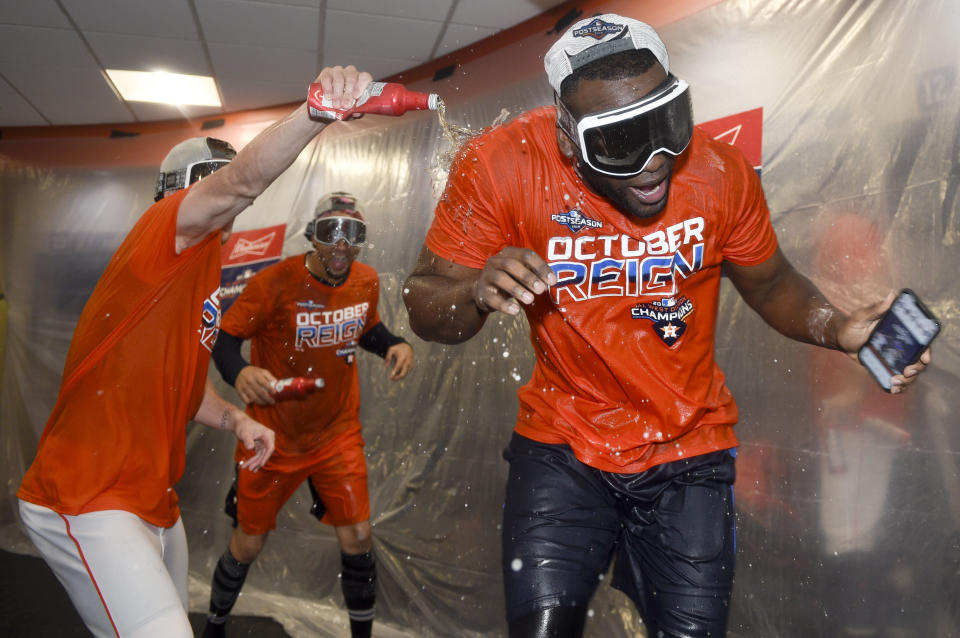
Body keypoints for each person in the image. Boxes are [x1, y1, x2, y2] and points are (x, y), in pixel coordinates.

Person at [402, 14, 932, 638]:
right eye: (620, 142)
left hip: (690, 450)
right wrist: (474, 290)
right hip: (563, 445)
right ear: (570, 140)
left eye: (665, 123)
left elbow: (770, 282)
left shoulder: (719, 171)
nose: (655, 162)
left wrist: (836, 326)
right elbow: (425, 304)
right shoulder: (502, 165)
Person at [17, 64, 375, 638]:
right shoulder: (164, 232)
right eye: (211, 183)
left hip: (152, 499)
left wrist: (235, 418)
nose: (226, 198)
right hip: (86, 496)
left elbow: (178, 382)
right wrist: (318, 110)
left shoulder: (203, 266)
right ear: (177, 193)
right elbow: (240, 183)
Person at [203, 192, 414, 638]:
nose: (341, 245)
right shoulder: (272, 283)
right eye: (330, 232)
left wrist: (394, 342)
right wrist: (239, 372)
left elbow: (365, 326)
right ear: (312, 237)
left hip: (336, 433)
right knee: (248, 544)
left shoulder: (366, 280)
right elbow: (224, 340)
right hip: (271, 437)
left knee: (358, 538)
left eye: (352, 234)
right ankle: (214, 627)